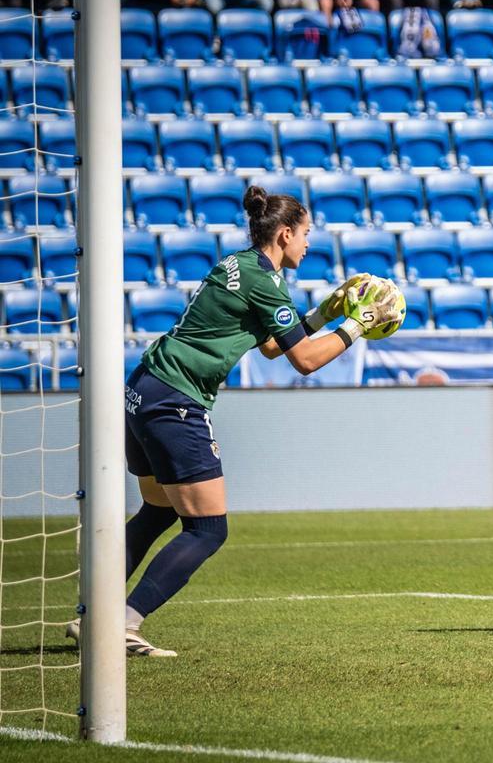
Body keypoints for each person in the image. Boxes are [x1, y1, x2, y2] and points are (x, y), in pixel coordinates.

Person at [67, 187, 401, 656]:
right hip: (176, 401)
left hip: (145, 389)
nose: (309, 244)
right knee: (208, 529)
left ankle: (91, 614)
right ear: (285, 234)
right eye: (306, 235)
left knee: (160, 509)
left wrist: (327, 310)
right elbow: (303, 361)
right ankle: (120, 623)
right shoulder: (264, 281)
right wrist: (357, 325)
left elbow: (269, 346)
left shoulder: (240, 265)